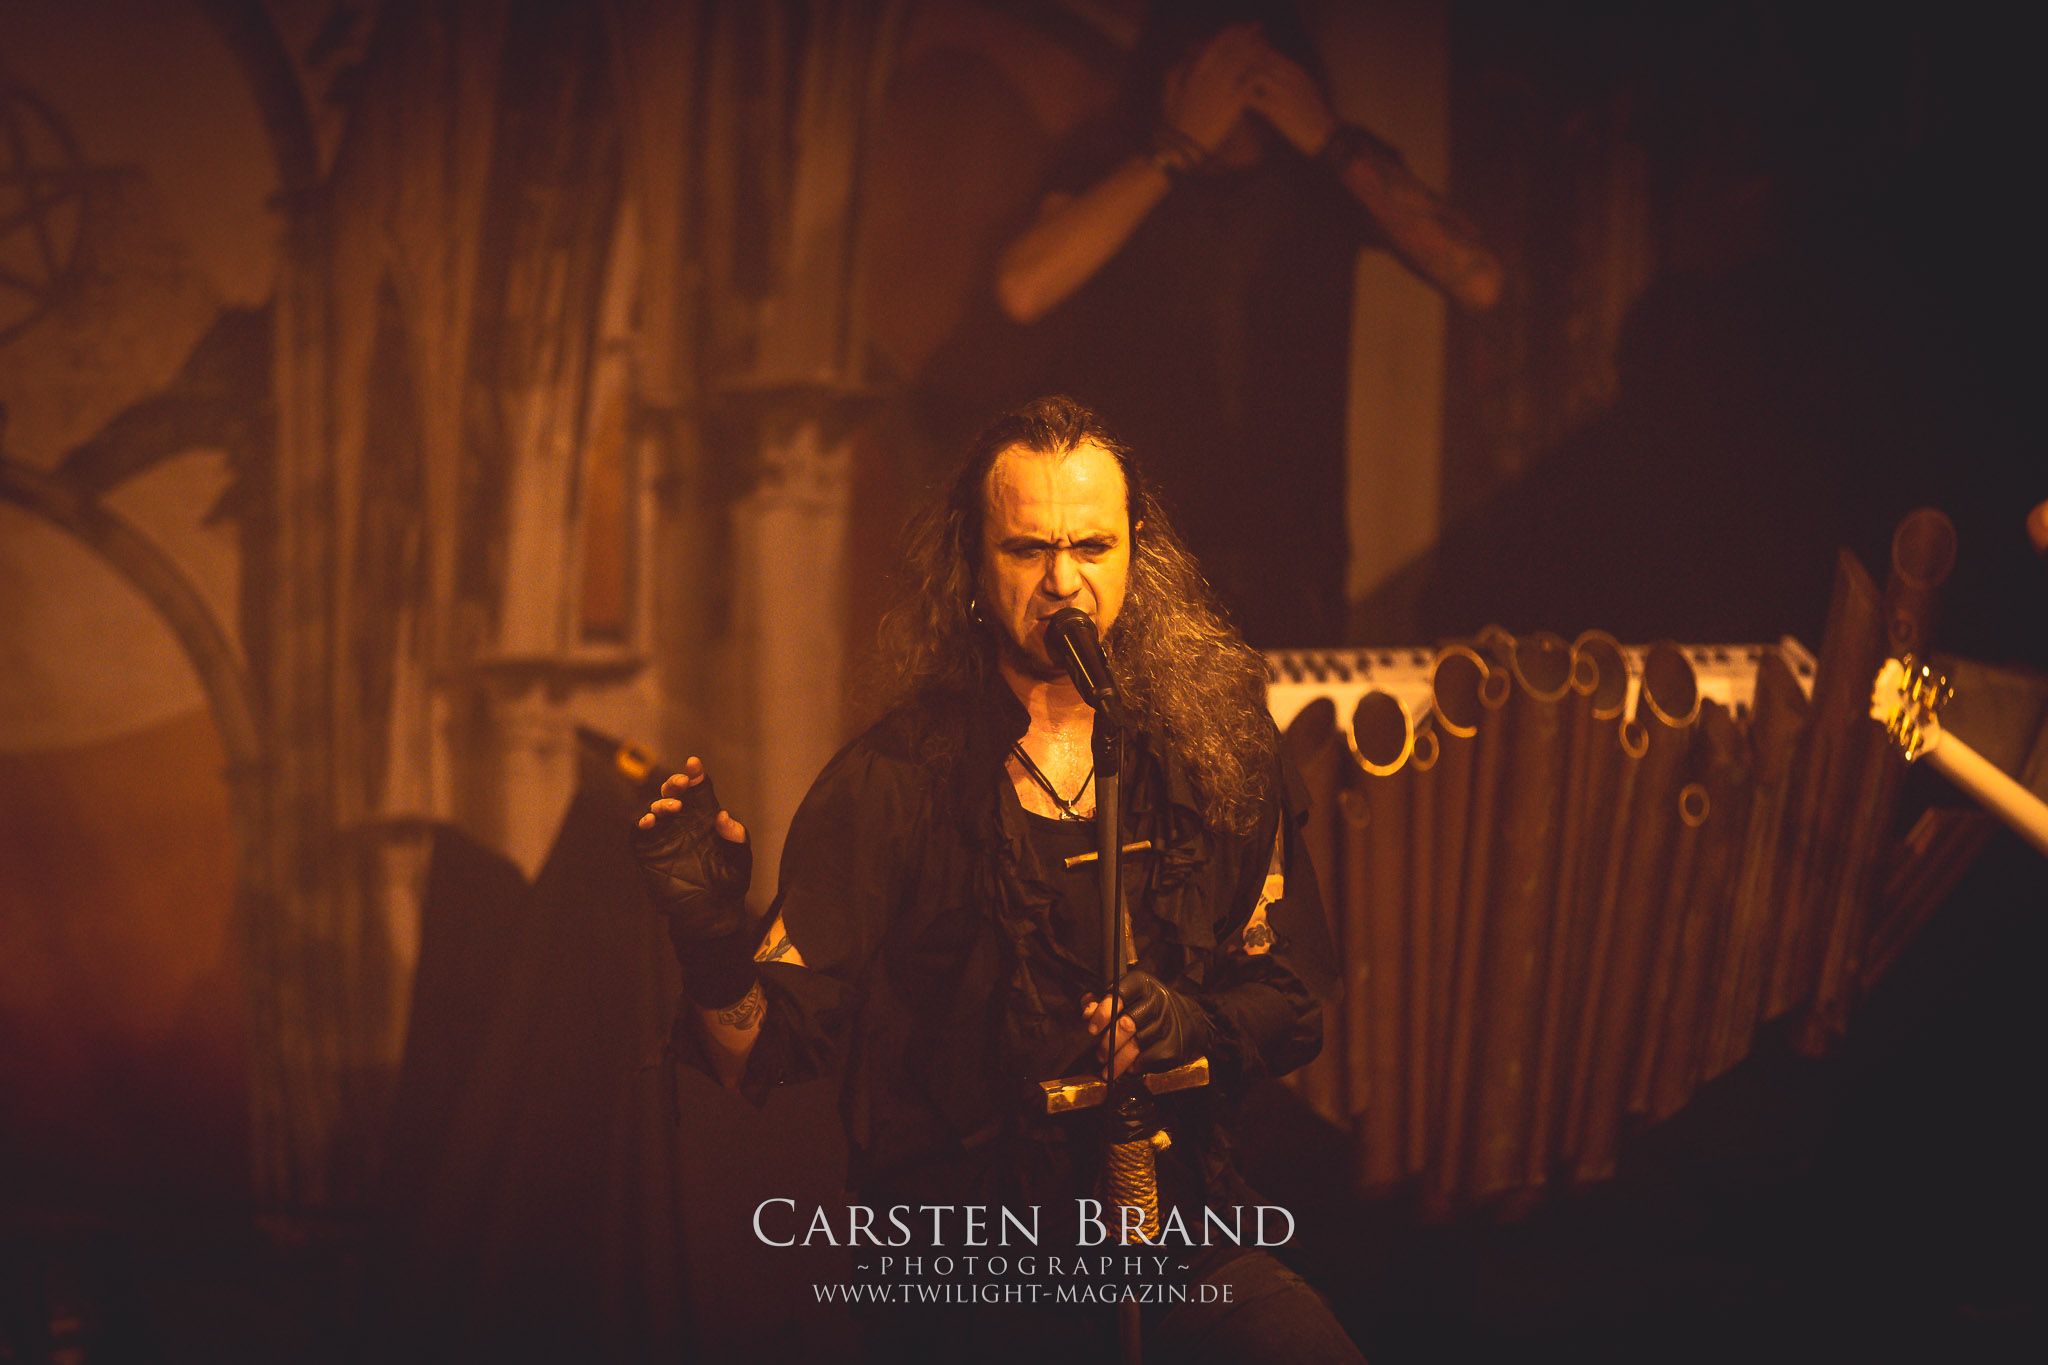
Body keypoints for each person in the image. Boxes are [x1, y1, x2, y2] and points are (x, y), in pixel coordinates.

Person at [633, 396, 1359, 1361]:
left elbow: (1293, 996)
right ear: (973, 566)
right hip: (975, 1268)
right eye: (1028, 550)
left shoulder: (1214, 748)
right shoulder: (891, 785)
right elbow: (751, 1056)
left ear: (1136, 554)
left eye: (1092, 546)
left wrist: (1190, 1025)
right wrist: (711, 939)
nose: (1065, 580)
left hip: (1180, 1238)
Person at [929, 5, 1500, 649]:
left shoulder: (1328, 173)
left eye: (1251, 73)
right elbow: (1023, 287)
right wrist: (1178, 145)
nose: (1230, 92)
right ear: (1170, 75)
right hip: (1138, 549)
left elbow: (1478, 278)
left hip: (1292, 560)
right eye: (1212, 69)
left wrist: (1328, 136)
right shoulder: (1112, 162)